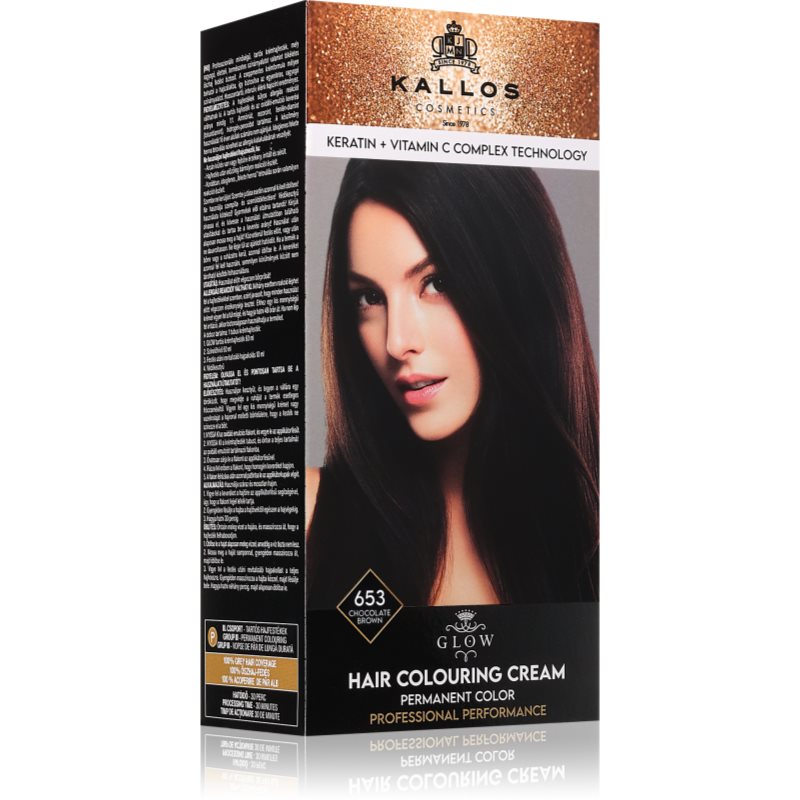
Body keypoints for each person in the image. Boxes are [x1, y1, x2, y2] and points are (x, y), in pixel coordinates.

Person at [306, 159, 598, 608]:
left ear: (517, 281)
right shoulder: (306, 517)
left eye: (436, 283)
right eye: (370, 297)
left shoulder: (595, 527)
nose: (397, 342)